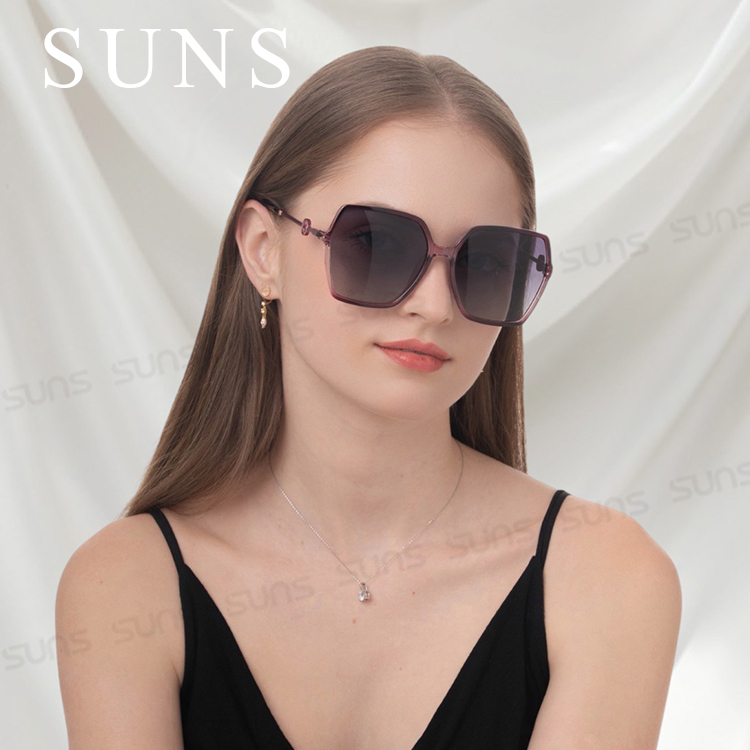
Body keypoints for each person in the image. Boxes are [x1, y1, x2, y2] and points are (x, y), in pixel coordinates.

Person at [55, 46, 682, 749]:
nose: (434, 306)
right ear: (263, 250)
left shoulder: (605, 579)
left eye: (485, 263)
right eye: (378, 244)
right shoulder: (124, 589)